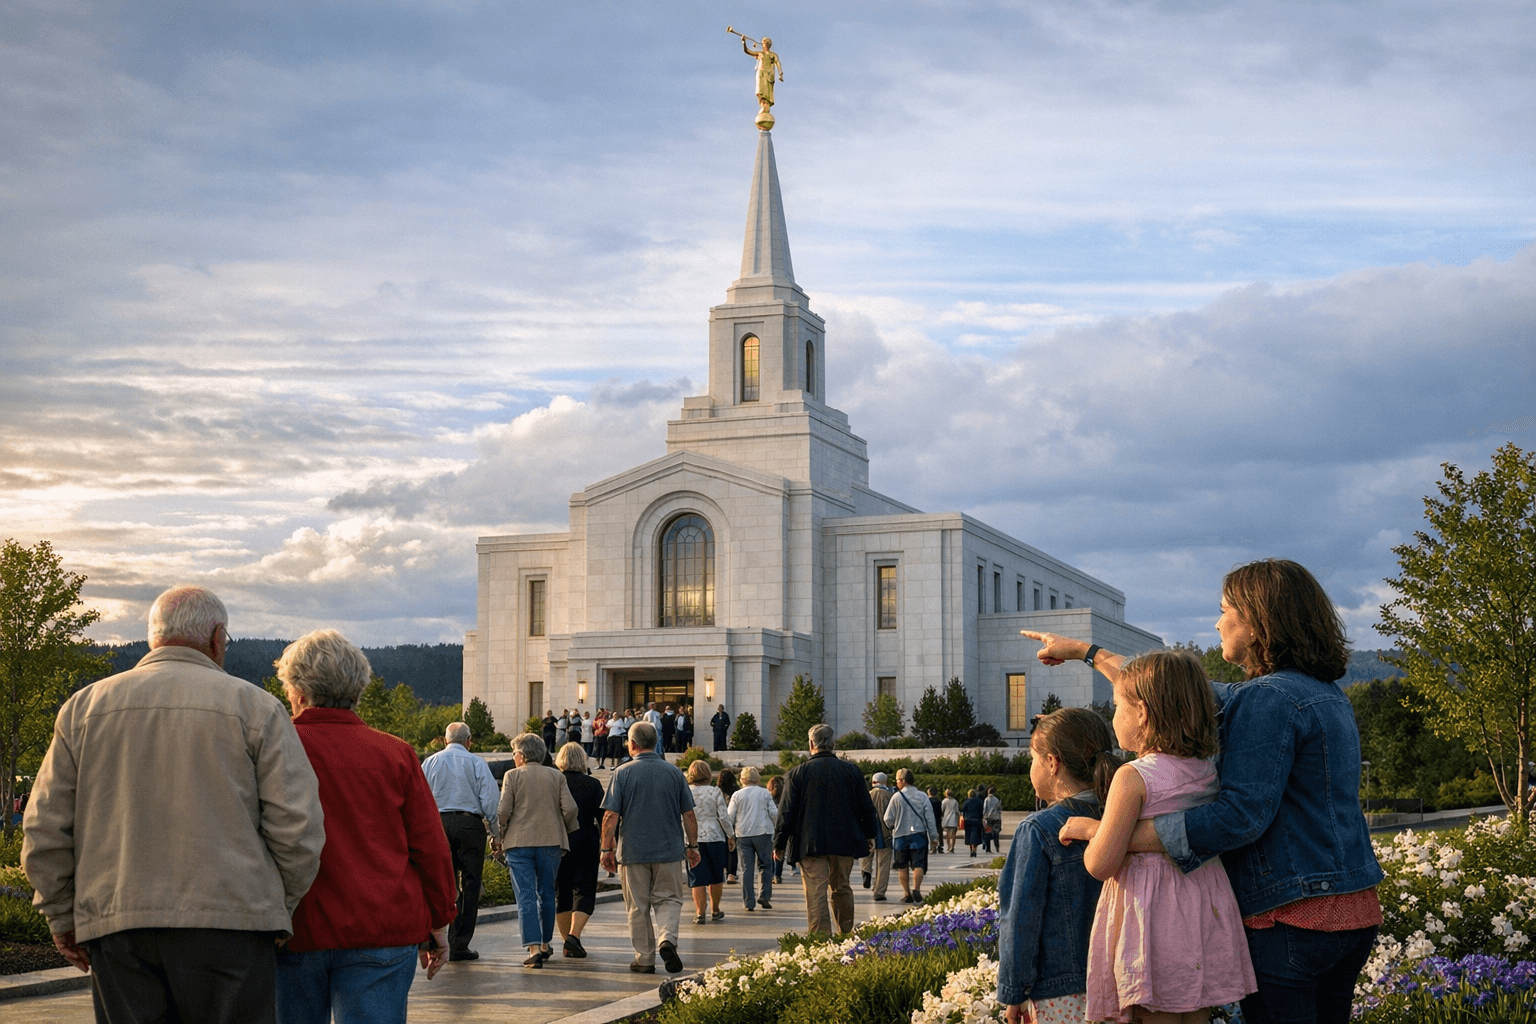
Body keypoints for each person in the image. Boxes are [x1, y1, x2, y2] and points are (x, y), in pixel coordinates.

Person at [1042, 557, 1382, 1024]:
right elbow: (1164, 689)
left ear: (1258, 623)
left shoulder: (1267, 699)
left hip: (1294, 916)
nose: (1217, 623)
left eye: (1225, 611)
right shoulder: (1324, 693)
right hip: (1352, 908)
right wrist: (1087, 651)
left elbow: (1240, 816)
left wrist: (1111, 835)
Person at [23, 586, 325, 1024]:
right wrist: (277, 905)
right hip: (233, 923)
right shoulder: (257, 708)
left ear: (154, 636)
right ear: (217, 637)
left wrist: (61, 914)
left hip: (118, 926)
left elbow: (45, 828)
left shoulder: (83, 709)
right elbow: (297, 826)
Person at [274, 631, 458, 1024]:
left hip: (295, 927)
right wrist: (439, 921)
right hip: (382, 927)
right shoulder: (396, 753)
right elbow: (430, 847)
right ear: (358, 688)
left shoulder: (274, 748)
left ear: (298, 691)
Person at [1072, 649, 1257, 1022]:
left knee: (1155, 1009)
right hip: (1202, 909)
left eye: (1117, 707)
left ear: (1141, 712)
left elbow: (1100, 863)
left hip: (1153, 915)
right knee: (1196, 1011)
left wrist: (1089, 831)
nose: (1114, 717)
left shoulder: (1133, 776)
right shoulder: (1206, 771)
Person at [996, 707, 1119, 1024]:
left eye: (1033, 759)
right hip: (1124, 985)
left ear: (1052, 763)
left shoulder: (1039, 829)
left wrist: (1013, 992)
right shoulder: (1125, 818)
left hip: (1061, 991)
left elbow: (1021, 920)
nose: (1031, 768)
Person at [600, 721, 701, 974]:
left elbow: (610, 816)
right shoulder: (674, 773)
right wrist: (693, 846)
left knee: (637, 906)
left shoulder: (622, 773)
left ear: (632, 744)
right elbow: (689, 814)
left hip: (632, 851)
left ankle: (644, 959)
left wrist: (606, 849)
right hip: (669, 850)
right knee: (669, 899)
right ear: (656, 743)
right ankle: (667, 938)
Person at [774, 724, 880, 935]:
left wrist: (779, 843)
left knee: (816, 892)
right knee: (842, 887)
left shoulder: (798, 773)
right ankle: (845, 933)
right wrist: (869, 834)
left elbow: (786, 812)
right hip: (844, 840)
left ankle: (820, 939)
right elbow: (867, 808)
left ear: (811, 743)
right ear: (833, 744)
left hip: (810, 842)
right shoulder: (851, 771)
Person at [497, 732, 580, 968]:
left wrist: (501, 831)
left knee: (525, 895)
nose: (513, 757)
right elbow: (570, 809)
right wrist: (566, 827)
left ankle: (532, 949)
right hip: (550, 841)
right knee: (547, 893)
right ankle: (545, 944)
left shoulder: (512, 776)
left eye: (514, 753)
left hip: (518, 842)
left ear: (522, 756)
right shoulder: (556, 776)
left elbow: (503, 810)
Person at [421, 721, 501, 962]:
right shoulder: (477, 763)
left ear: (445, 740)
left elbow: (419, 796)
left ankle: (435, 938)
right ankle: (460, 943)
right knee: (470, 883)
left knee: (440, 882)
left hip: (437, 825)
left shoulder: (430, 762)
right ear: (469, 742)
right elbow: (490, 799)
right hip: (469, 824)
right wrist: (495, 834)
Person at [554, 742, 605, 959]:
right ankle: (574, 936)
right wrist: (608, 844)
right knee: (584, 891)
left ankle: (568, 943)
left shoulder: (554, 782)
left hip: (558, 843)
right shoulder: (592, 784)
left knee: (563, 894)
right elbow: (603, 816)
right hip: (585, 843)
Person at [685, 761, 734, 923]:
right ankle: (715, 909)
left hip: (693, 838)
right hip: (715, 836)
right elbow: (723, 816)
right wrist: (730, 835)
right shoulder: (715, 791)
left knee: (697, 876)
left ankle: (700, 912)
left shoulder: (686, 791)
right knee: (716, 875)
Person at [884, 768, 940, 904]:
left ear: (903, 781)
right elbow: (930, 818)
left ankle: (907, 893)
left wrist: (893, 826)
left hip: (900, 836)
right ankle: (916, 889)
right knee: (918, 864)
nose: (897, 783)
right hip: (918, 834)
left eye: (897, 780)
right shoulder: (922, 796)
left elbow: (887, 818)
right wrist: (934, 837)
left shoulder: (896, 797)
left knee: (902, 866)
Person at [728, 766, 778, 912]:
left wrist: (730, 834)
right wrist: (775, 827)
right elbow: (774, 813)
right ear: (757, 778)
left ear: (742, 779)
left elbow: (729, 816)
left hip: (743, 834)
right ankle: (764, 895)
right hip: (763, 832)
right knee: (765, 865)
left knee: (746, 869)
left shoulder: (737, 795)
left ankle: (749, 902)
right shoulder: (765, 793)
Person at [860, 772, 895, 901]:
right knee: (883, 863)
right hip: (886, 832)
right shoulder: (891, 796)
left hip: (868, 831)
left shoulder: (867, 795)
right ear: (885, 782)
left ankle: (866, 870)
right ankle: (879, 891)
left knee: (866, 854)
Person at [717, 767, 741, 882]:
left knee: (721, 848)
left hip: (718, 824)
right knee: (732, 848)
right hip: (733, 823)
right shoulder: (736, 792)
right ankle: (731, 873)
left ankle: (721, 872)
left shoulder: (716, 791)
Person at [766, 774, 787, 884]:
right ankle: (777, 875)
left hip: (770, 826)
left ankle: (772, 874)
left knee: (771, 851)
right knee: (780, 849)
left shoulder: (768, 797)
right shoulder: (786, 797)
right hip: (782, 826)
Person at [962, 787, 986, 857]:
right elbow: (982, 810)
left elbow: (964, 811)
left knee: (969, 836)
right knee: (976, 836)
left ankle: (971, 849)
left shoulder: (966, 802)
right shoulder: (979, 801)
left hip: (968, 820)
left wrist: (964, 818)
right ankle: (974, 850)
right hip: (977, 820)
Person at [983, 785, 1003, 854]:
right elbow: (999, 809)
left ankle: (988, 849)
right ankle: (997, 847)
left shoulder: (986, 799)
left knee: (988, 833)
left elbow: (984, 809)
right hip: (996, 818)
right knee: (996, 834)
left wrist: (983, 817)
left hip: (988, 819)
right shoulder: (996, 800)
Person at [941, 788, 961, 854]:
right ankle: (952, 847)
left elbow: (942, 810)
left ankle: (949, 846)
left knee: (947, 835)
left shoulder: (944, 801)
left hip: (946, 819)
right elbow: (957, 811)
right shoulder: (955, 801)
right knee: (953, 835)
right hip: (953, 819)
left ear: (946, 794)